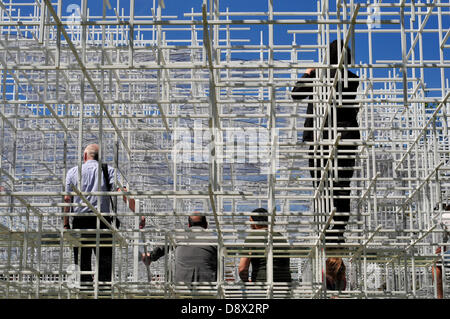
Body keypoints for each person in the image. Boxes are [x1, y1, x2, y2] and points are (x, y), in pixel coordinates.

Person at [291, 39, 361, 243]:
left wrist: (309, 73)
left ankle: (326, 222)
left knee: (321, 183)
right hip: (346, 136)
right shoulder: (352, 78)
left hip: (320, 137)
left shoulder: (318, 77)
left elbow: (296, 94)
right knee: (342, 183)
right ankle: (338, 226)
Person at [63, 143, 144, 283]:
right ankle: (103, 290)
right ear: (100, 158)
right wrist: (138, 213)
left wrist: (66, 224)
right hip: (102, 221)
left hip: (80, 221)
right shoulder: (109, 170)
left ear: (84, 156)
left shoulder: (73, 172)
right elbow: (123, 192)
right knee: (105, 265)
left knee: (82, 265)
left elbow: (67, 199)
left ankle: (85, 290)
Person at [141, 214, 217, 282]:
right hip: (208, 287)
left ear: (189, 225)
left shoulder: (178, 236)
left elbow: (162, 248)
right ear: (206, 225)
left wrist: (150, 257)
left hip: (182, 286)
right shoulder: (214, 240)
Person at [238, 208, 292, 283]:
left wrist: (246, 281)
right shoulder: (282, 237)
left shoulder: (253, 237)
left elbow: (242, 268)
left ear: (254, 222)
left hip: (262, 285)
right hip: (285, 286)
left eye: (250, 221)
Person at [432, 203, 450, 299]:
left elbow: (435, 218)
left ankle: (439, 296)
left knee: (436, 263)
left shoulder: (445, 216)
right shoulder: (445, 216)